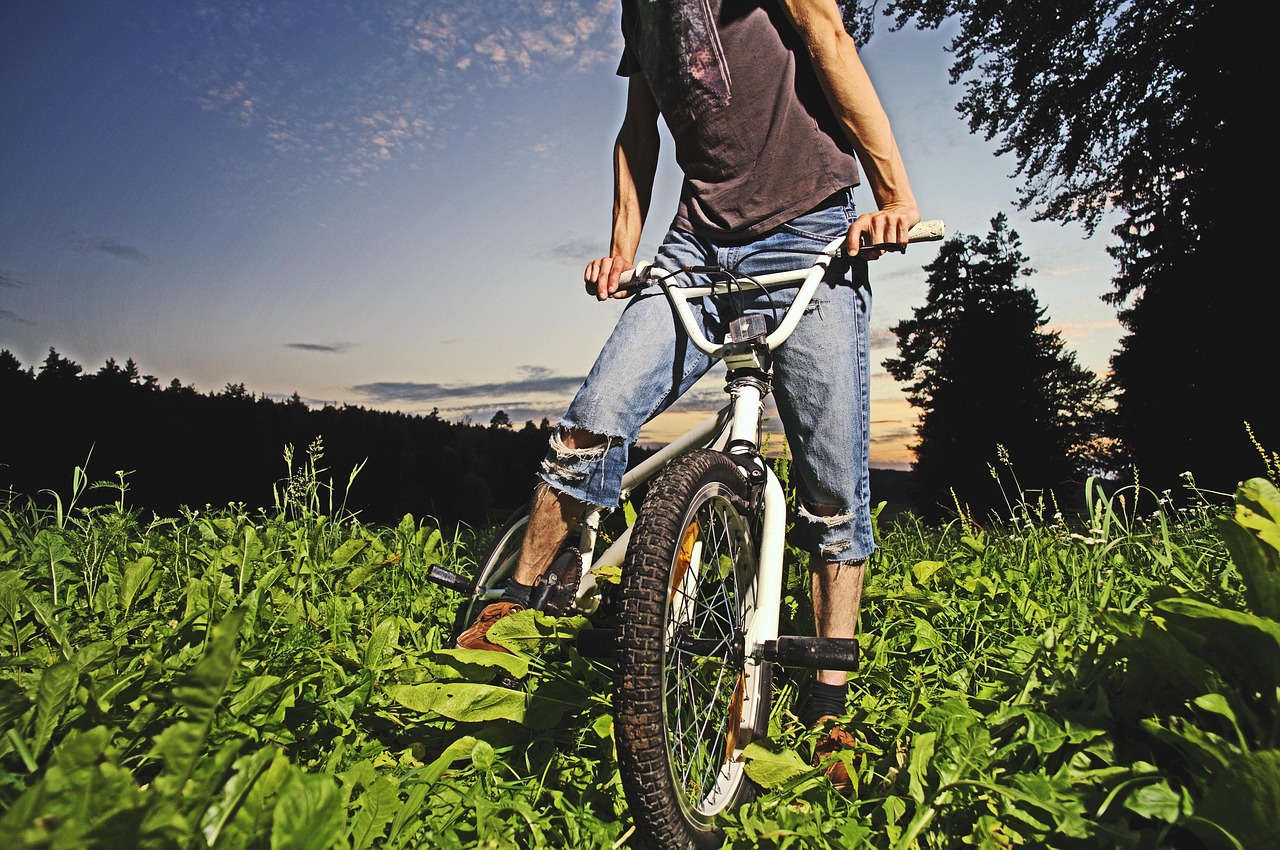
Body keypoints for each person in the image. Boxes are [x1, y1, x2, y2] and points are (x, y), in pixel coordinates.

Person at [458, 0, 920, 789]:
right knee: (588, 429)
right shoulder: (638, 12)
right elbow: (638, 128)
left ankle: (828, 709)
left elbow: (828, 37)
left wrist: (893, 195)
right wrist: (620, 251)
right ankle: (516, 606)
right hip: (696, 246)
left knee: (835, 493)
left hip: (812, 229)